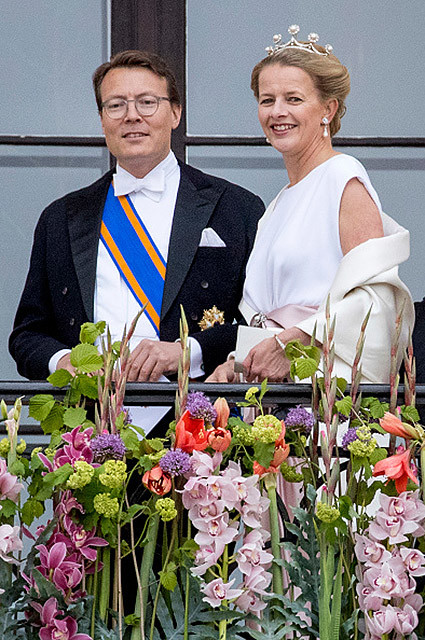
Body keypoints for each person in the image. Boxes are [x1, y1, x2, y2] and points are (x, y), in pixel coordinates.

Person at [9, 50, 265, 385]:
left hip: (198, 412)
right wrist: (64, 361)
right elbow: (27, 336)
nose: (132, 116)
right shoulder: (60, 218)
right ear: (102, 120)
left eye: (147, 102)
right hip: (92, 413)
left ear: (175, 113)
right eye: (116, 105)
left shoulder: (236, 208)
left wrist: (187, 352)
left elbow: (261, 328)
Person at [208, 26, 414, 384]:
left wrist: (295, 340)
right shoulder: (276, 206)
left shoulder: (343, 177)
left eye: (293, 99)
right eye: (267, 100)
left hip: (320, 393)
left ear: (328, 109)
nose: (277, 112)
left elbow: (375, 301)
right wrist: (236, 365)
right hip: (271, 398)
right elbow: (266, 321)